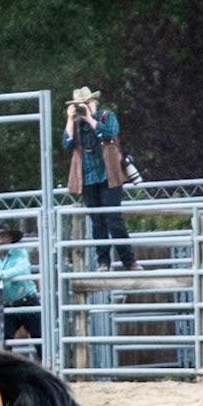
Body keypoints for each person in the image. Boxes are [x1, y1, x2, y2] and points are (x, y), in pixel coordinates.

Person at [63, 86, 141, 272]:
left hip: (109, 176)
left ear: (93, 101)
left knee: (114, 220)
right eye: (80, 105)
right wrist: (70, 118)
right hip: (88, 179)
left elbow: (109, 132)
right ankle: (103, 263)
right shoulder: (75, 125)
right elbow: (67, 143)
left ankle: (129, 261)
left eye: (86, 103)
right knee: (97, 222)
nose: (84, 107)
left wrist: (90, 118)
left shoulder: (107, 116)